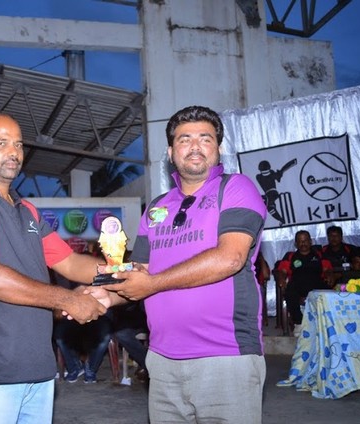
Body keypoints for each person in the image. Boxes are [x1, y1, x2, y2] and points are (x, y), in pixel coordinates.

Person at [98, 105, 268, 423]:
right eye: (184, 139)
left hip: (225, 357)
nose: (195, 146)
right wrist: (101, 294)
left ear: (218, 148)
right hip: (162, 361)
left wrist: (152, 283)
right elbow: (140, 273)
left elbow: (230, 258)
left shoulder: (235, 188)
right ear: (170, 152)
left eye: (205, 138)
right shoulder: (156, 208)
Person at [0, 112, 109, 423]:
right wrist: (68, 299)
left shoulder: (28, 210)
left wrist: (122, 271)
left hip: (39, 371)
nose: (14, 152)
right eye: (2, 143)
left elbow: (70, 263)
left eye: (18, 144)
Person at [275, 230, 334, 334]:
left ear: (310, 242)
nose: (303, 243)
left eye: (305, 240)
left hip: (316, 282)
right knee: (290, 292)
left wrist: (329, 275)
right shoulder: (290, 256)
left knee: (329, 292)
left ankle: (326, 323)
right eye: (300, 241)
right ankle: (298, 323)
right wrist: (281, 278)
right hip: (297, 284)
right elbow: (282, 271)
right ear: (296, 244)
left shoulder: (319, 254)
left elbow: (327, 269)